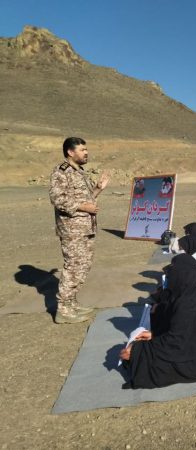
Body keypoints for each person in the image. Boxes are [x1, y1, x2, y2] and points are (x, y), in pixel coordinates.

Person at [120, 254, 196, 389]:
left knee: (147, 364)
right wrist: (154, 334)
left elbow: (175, 343)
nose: (169, 278)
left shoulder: (188, 302)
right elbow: (187, 330)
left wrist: (136, 350)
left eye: (172, 274)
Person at [49, 137, 109, 324]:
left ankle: (71, 303)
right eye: (82, 150)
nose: (86, 153)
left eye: (86, 149)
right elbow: (57, 198)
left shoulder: (80, 172)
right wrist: (83, 207)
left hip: (85, 228)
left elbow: (87, 198)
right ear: (70, 152)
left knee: (83, 266)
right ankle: (63, 310)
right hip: (72, 229)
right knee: (73, 267)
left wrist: (98, 189)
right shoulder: (61, 171)